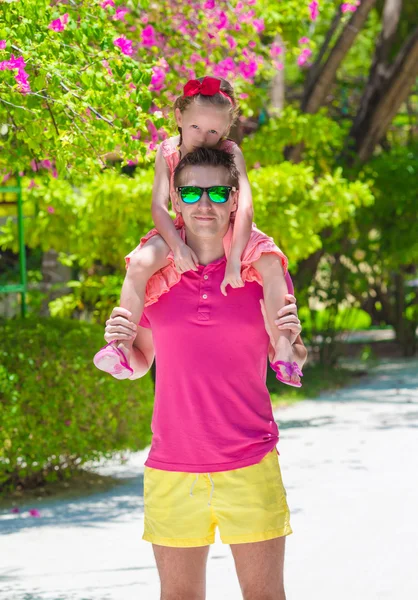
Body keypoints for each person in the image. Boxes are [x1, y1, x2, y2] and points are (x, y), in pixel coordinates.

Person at [104, 147, 307, 600]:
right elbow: (139, 364)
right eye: (191, 193)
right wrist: (122, 336)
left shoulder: (260, 270)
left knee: (264, 596)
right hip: (172, 465)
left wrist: (291, 342)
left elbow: (292, 357)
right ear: (175, 201)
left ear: (235, 199)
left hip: (250, 461)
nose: (205, 205)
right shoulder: (157, 274)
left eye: (218, 192)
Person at [94, 75, 301, 387]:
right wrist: (177, 246)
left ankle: (284, 345)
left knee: (271, 264)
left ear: (226, 130)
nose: (204, 137)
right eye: (195, 128)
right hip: (177, 229)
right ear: (179, 117)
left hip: (234, 228)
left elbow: (243, 207)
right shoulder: (167, 150)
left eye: (213, 131)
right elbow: (159, 207)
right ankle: (121, 345)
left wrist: (235, 260)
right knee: (138, 264)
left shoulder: (231, 152)